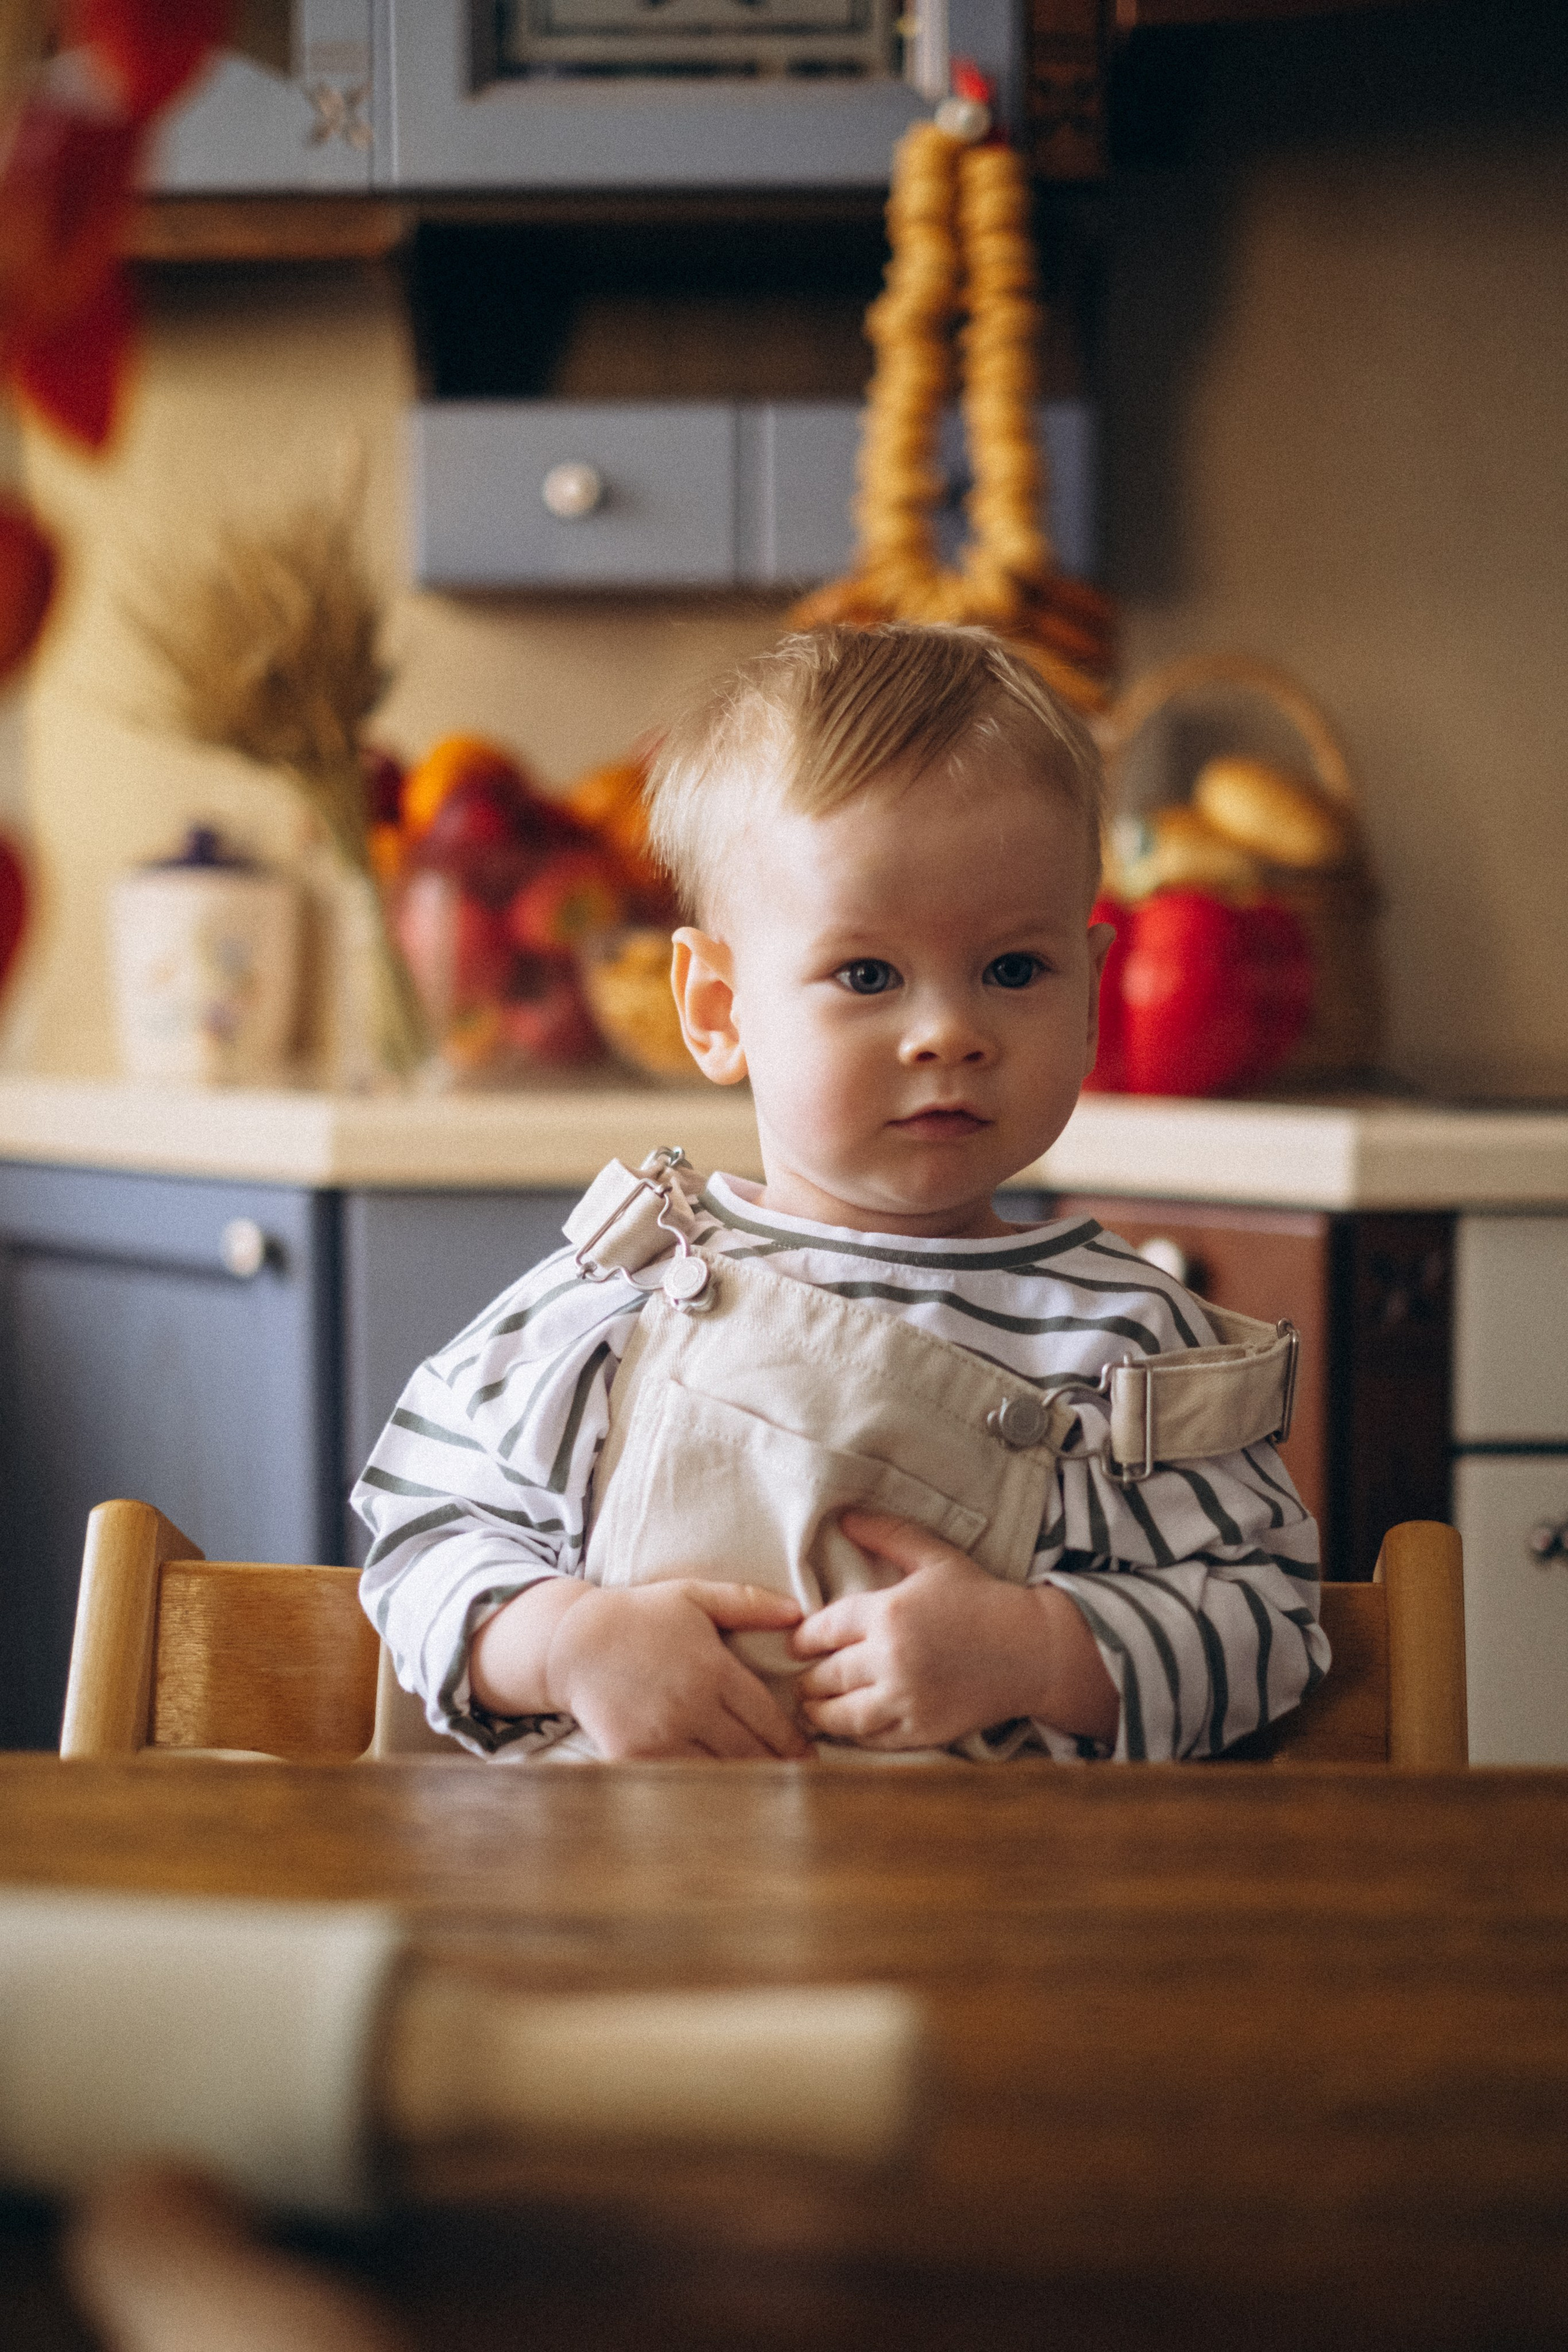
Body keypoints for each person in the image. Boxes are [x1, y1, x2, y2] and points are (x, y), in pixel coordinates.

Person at [356, 624, 1326, 1764]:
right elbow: (419, 1531)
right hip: (618, 1873)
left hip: (993, 1887)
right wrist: (566, 1642)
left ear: (1091, 994)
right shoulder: (629, 1287)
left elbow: (1271, 1628)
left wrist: (1040, 1653)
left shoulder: (1133, 1341)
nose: (949, 1031)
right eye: (868, 974)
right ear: (717, 1009)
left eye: (1014, 970)